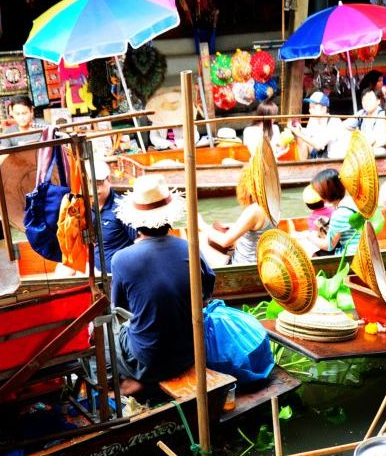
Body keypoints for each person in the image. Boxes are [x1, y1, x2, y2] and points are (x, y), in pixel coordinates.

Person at [110, 174, 215, 393]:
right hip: (190, 351)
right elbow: (207, 292)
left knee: (105, 331)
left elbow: (120, 310)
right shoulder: (190, 248)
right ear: (169, 218)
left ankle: (134, 382)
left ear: (136, 222)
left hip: (150, 358)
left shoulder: (121, 259)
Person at [201, 165, 275, 266]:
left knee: (200, 240)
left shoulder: (254, 210)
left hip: (244, 265)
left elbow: (225, 241)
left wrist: (201, 224)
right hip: (263, 263)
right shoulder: (271, 204)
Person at [297, 169, 361, 256]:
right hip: (361, 250)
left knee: (312, 253)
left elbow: (329, 246)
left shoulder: (339, 214)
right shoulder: (352, 202)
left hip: (351, 256)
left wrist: (309, 236)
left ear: (324, 197)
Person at [92, 158, 134, 274]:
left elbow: (139, 242)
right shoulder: (85, 206)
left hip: (120, 275)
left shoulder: (122, 207)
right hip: (97, 272)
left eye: (98, 182)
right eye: (90, 183)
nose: (94, 188)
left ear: (109, 180)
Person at [287, 91, 342, 160]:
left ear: (324, 109)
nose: (310, 111)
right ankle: (303, 167)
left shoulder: (334, 121)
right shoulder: (313, 119)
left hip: (332, 158)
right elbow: (307, 135)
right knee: (300, 139)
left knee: (300, 137)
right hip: (319, 154)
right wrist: (299, 129)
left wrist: (298, 133)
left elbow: (319, 145)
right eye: (310, 107)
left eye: (313, 107)